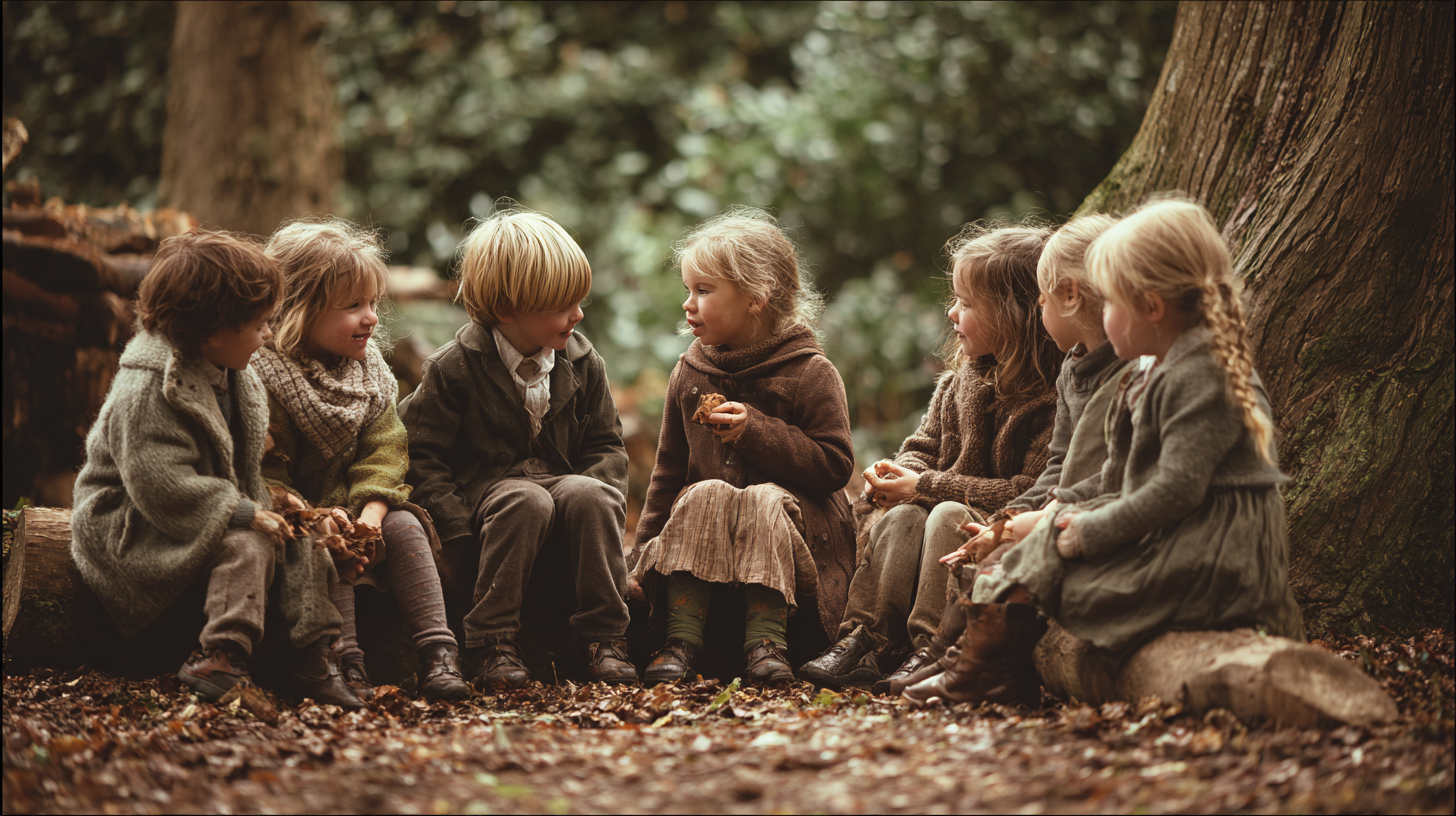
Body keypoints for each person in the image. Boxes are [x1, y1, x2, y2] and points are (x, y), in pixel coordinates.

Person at [905, 198, 1305, 708]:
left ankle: (975, 670)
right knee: (1038, 547)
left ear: (1152, 308)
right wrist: (1055, 518)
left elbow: (1174, 490)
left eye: (1110, 303)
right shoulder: (1152, 372)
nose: (1104, 315)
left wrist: (1081, 530)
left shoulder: (1202, 376)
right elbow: (1113, 476)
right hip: (1170, 532)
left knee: (1057, 568)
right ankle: (976, 669)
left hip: (1213, 553)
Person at [70, 229, 362, 709]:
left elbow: (238, 472)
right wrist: (247, 513)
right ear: (213, 332)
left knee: (298, 533)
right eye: (261, 324)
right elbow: (161, 484)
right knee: (249, 541)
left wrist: (275, 503)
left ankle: (308, 655)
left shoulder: (235, 374)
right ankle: (219, 657)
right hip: (134, 524)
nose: (269, 335)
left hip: (205, 507)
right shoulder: (147, 389)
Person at [799, 221, 1059, 691]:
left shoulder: (1050, 399)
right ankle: (868, 638)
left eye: (966, 303)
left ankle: (932, 645)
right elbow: (923, 447)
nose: (952, 313)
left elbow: (1029, 490)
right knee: (902, 519)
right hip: (940, 508)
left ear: (1013, 314)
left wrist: (924, 485)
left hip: (996, 529)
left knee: (946, 515)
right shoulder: (957, 384)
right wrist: (902, 474)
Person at [889, 214, 1130, 696]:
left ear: (1067, 297)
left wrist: (1023, 519)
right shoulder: (1074, 372)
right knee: (978, 540)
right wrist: (1009, 519)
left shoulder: (1118, 378)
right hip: (1061, 512)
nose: (952, 314)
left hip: (1098, 523)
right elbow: (1062, 468)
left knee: (977, 534)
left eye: (1041, 299)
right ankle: (945, 652)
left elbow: (1100, 478)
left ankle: (968, 657)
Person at [400, 205, 636, 690]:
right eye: (563, 305)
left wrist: (596, 487)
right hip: (486, 494)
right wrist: (456, 529)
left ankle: (604, 635)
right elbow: (421, 453)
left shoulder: (583, 360)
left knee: (591, 494)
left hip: (561, 483)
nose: (579, 314)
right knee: (524, 498)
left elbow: (606, 444)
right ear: (508, 311)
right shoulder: (454, 369)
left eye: (579, 300)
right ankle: (491, 640)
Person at [628, 207, 855, 686]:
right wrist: (642, 554)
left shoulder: (811, 373)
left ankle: (767, 642)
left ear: (756, 297)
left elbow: (834, 467)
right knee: (704, 491)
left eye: (703, 291)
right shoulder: (690, 375)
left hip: (799, 545)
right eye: (688, 290)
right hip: (711, 549)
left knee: (762, 498)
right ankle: (681, 638)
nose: (688, 304)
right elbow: (668, 473)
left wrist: (756, 431)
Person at [253, 217, 469, 703]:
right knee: (328, 548)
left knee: (407, 527)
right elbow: (264, 469)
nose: (370, 316)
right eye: (352, 306)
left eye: (373, 302)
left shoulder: (371, 374)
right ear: (298, 310)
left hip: (359, 504)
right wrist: (314, 515)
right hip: (298, 513)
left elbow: (385, 448)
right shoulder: (263, 378)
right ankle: (343, 662)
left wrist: (371, 513)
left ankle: (438, 652)